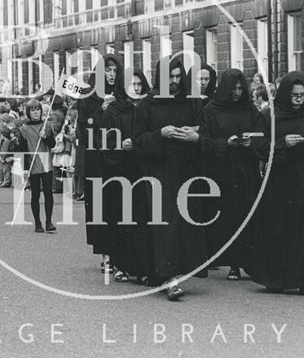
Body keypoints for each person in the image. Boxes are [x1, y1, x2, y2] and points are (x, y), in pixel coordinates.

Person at [249, 73, 304, 298]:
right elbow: (258, 147)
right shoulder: (270, 116)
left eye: (302, 95)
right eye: (294, 95)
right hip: (281, 179)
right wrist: (281, 144)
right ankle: (276, 279)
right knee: (279, 228)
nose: (298, 99)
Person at [132, 56, 209, 301]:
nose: (175, 82)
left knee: (182, 224)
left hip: (186, 170)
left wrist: (195, 135)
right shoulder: (146, 106)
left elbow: (207, 133)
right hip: (158, 172)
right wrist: (160, 134)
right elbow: (137, 140)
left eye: (178, 77)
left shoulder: (192, 104)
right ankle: (168, 277)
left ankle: (172, 271)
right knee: (163, 224)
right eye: (170, 78)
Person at [198, 69, 264, 281]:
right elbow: (204, 140)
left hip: (245, 169)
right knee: (225, 216)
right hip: (221, 170)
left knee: (246, 215)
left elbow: (261, 135)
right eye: (233, 89)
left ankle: (245, 262)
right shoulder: (211, 110)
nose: (236, 93)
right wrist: (225, 143)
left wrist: (250, 142)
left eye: (239, 88)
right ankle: (226, 260)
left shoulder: (250, 109)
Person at [100, 69, 151, 283]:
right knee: (121, 218)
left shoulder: (148, 107)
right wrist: (120, 146)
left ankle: (142, 265)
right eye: (133, 85)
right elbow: (105, 139)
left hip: (143, 169)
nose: (137, 89)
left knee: (144, 219)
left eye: (140, 84)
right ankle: (121, 264)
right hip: (120, 169)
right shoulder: (113, 110)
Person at [78, 54, 119, 272]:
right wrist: (100, 110)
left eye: (115, 70)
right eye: (108, 70)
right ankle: (105, 255)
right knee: (100, 208)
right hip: (96, 158)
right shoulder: (87, 96)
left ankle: (122, 254)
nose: (112, 74)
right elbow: (83, 129)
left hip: (119, 156)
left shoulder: (124, 94)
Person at [15, 99, 56, 233]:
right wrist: (24, 168)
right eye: (32, 110)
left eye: (37, 109)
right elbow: (21, 149)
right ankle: (38, 222)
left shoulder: (47, 126)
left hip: (46, 164)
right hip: (32, 164)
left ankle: (49, 221)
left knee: (49, 193)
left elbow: (53, 144)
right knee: (36, 195)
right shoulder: (23, 129)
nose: (36, 112)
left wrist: (46, 137)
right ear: (28, 113)